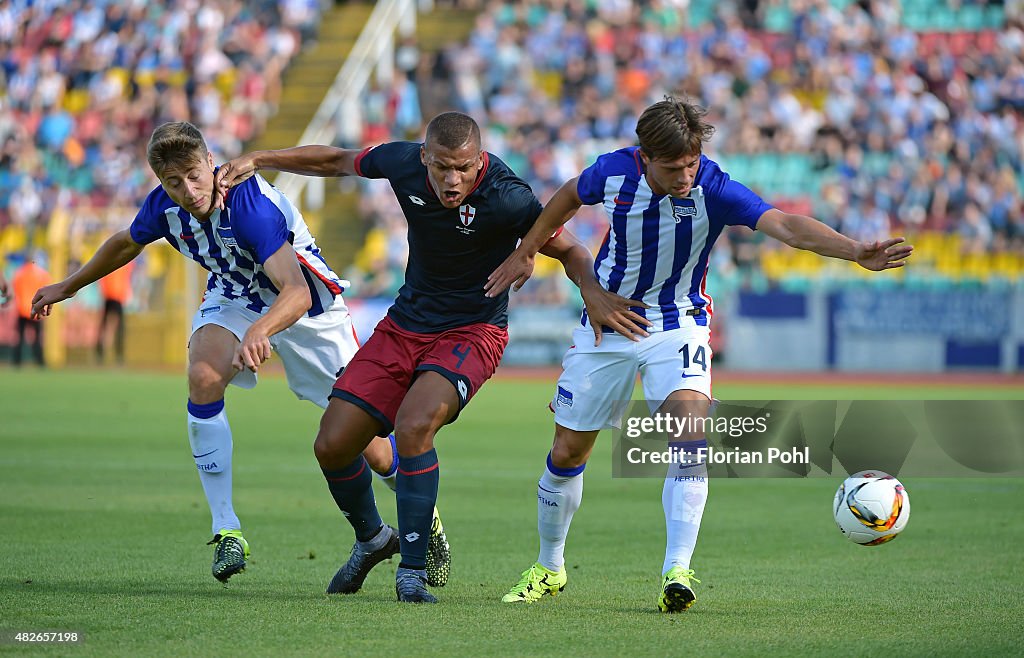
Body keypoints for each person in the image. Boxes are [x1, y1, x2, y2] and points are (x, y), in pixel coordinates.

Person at [485, 96, 913, 612]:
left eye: (691, 162)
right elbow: (567, 197)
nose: (686, 174)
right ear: (645, 156)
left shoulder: (715, 186)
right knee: (568, 453)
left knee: (690, 432)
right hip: (610, 323)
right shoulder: (614, 173)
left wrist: (853, 250)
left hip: (680, 323)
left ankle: (677, 571)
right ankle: (550, 567)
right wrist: (528, 249)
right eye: (673, 167)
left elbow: (786, 225)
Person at [215, 111, 645, 603]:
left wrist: (591, 290)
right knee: (332, 444)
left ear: (480, 160)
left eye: (463, 168)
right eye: (442, 167)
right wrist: (260, 157)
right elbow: (337, 160)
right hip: (405, 323)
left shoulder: (508, 198)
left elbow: (571, 250)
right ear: (424, 158)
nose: (452, 179)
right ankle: (374, 539)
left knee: (414, 426)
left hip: (473, 331)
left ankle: (412, 573)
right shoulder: (402, 163)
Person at [30, 121, 419, 585]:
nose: (188, 190)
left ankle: (421, 519)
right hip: (234, 298)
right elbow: (125, 242)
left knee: (370, 447)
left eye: (194, 175)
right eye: (173, 183)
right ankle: (228, 528)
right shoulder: (165, 207)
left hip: (310, 310)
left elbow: (294, 292)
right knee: (204, 376)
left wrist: (262, 329)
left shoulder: (249, 206)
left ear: (211, 161)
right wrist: (68, 286)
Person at [12, 252, 51, 367]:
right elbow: (47, 288)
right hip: (36, 308)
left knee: (20, 337)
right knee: (37, 337)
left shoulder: (19, 273)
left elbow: (16, 289)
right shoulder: (41, 273)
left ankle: (17, 361)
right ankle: (39, 361)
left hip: (22, 308)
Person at [96, 261, 134, 365]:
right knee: (117, 327)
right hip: (114, 296)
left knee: (112, 327)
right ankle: (114, 355)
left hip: (114, 296)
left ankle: (109, 354)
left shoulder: (111, 259)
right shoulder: (125, 260)